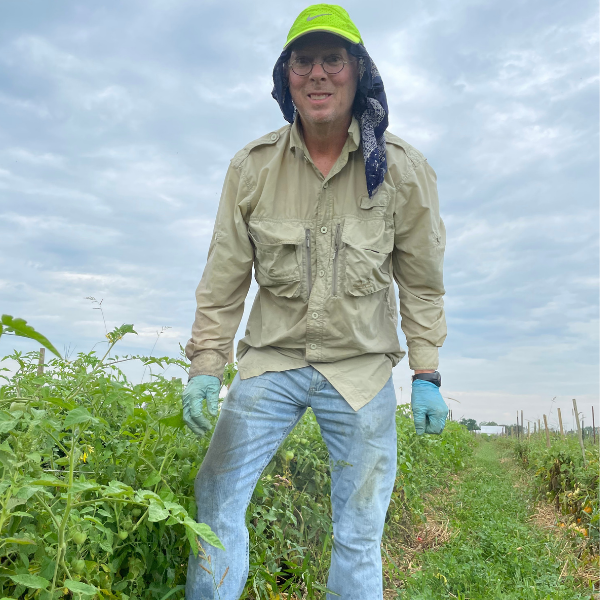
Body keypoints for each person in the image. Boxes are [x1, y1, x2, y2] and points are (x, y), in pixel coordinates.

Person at [182, 5, 448, 599]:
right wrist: (205, 366)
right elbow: (224, 277)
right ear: (287, 76)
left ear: (359, 72)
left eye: (334, 59)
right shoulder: (252, 168)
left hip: (359, 369)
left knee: (359, 529)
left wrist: (427, 372)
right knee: (215, 495)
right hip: (271, 363)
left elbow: (421, 281)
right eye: (304, 61)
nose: (318, 74)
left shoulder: (402, 170)